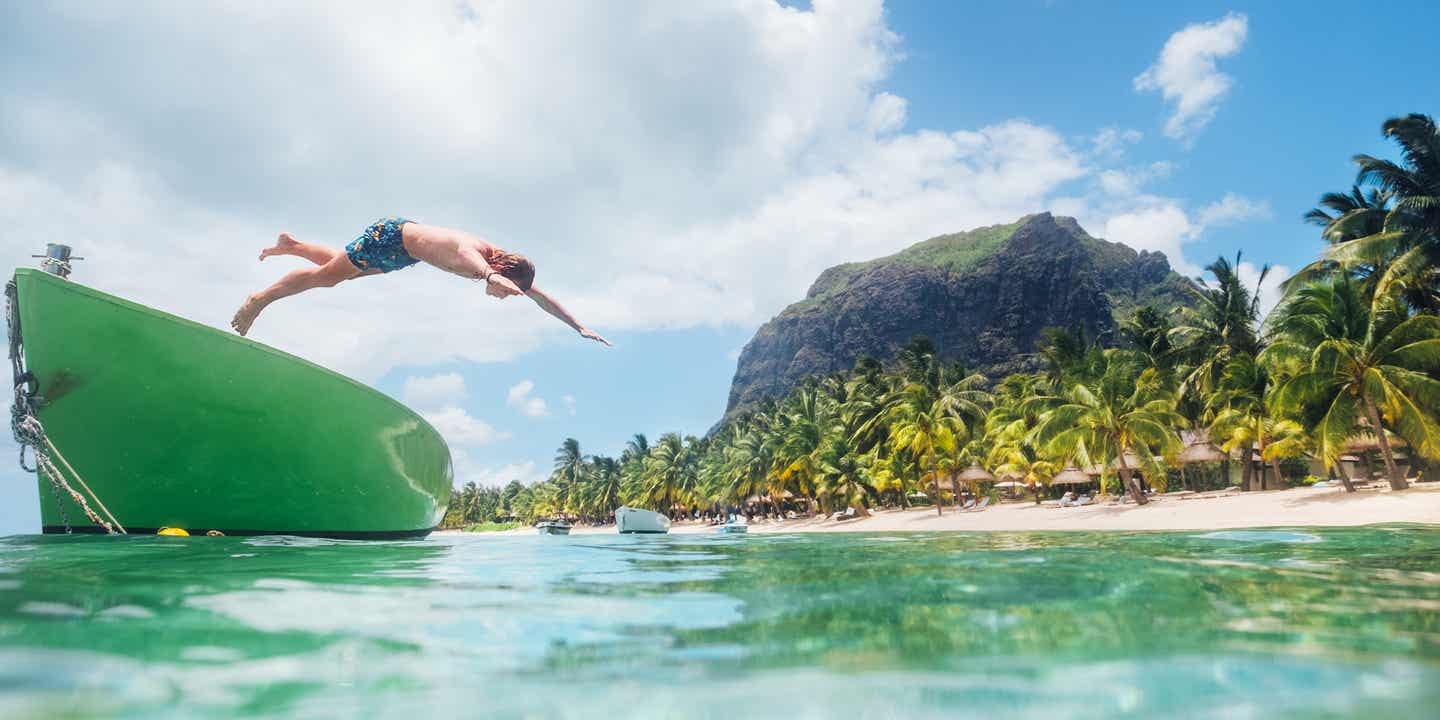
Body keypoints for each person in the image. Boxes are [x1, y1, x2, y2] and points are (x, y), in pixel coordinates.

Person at [230, 217, 611, 345]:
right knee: (328, 278)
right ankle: (258, 299)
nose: (505, 298)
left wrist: (579, 326)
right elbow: (470, 260)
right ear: (503, 274)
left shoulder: (496, 261)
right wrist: (491, 277)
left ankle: (292, 245)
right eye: (508, 293)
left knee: (337, 270)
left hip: (403, 254)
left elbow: (542, 300)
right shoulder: (476, 253)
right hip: (391, 237)